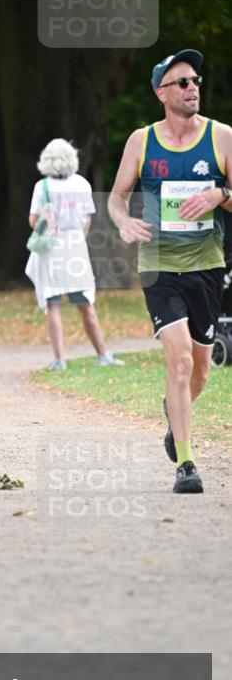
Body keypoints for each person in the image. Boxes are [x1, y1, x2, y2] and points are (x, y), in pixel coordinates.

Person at [108, 48, 232, 494]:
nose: (193, 87)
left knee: (199, 370)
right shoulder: (142, 141)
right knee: (178, 360)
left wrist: (220, 195)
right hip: (158, 265)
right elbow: (117, 197)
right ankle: (186, 463)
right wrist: (123, 221)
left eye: (195, 80)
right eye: (182, 82)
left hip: (207, 264)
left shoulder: (222, 137)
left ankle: (172, 412)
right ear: (162, 92)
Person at [26, 138, 125, 371]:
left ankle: (59, 359)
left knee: (53, 304)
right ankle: (102, 354)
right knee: (85, 304)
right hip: (75, 247)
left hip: (50, 247)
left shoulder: (43, 187)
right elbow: (88, 218)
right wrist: (77, 240)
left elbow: (33, 220)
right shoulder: (82, 184)